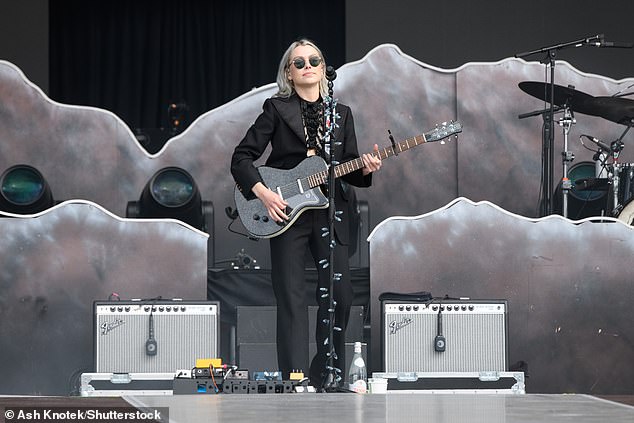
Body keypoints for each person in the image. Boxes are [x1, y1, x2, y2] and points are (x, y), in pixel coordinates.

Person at [231, 38, 381, 389]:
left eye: (314, 60)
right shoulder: (276, 109)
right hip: (286, 213)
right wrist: (265, 194)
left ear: (323, 67)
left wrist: (368, 166)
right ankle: (294, 380)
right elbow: (241, 158)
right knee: (292, 299)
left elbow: (349, 167)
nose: (308, 66)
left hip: (331, 212)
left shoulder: (341, 114)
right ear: (289, 72)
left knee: (340, 297)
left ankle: (326, 374)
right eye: (299, 63)